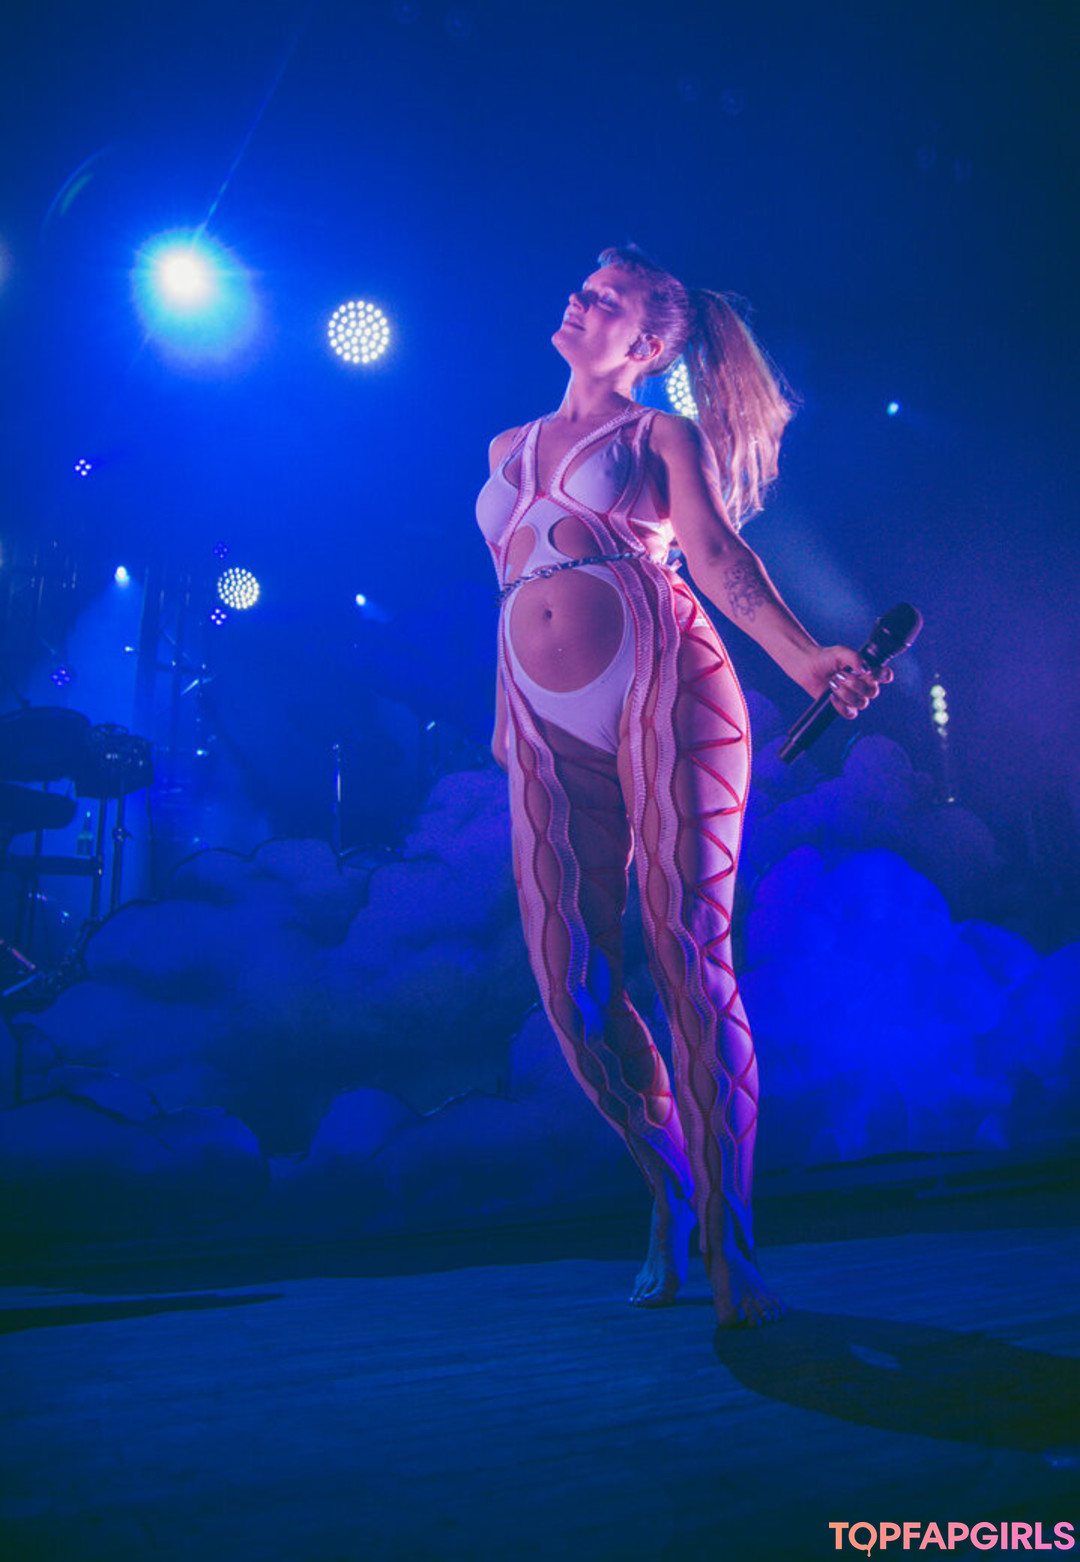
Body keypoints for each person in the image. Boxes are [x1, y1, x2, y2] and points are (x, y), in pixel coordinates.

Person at [475, 245, 890, 1329]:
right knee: (567, 985)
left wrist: (805, 658)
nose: (578, 300)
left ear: (650, 344)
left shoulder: (661, 434)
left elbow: (715, 555)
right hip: (540, 721)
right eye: (581, 288)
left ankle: (730, 1237)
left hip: (669, 685)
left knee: (685, 950)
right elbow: (516, 584)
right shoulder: (506, 446)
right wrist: (510, 718)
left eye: (604, 299)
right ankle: (671, 1188)